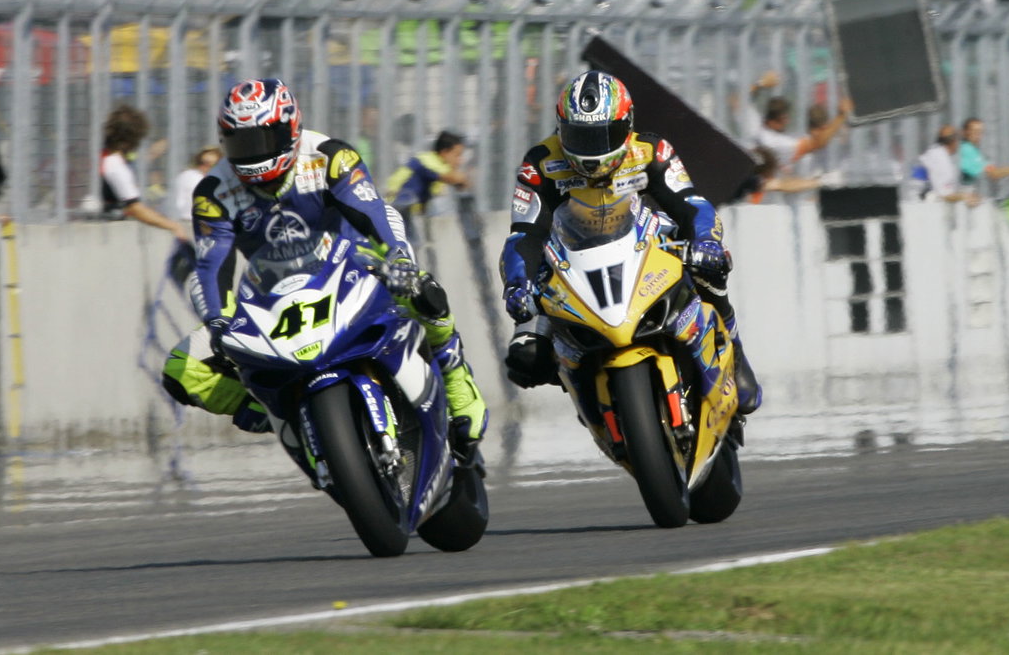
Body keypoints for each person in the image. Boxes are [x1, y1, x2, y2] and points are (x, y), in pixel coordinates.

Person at [163, 79, 488, 449]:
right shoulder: (212, 192)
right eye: (242, 143)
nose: (254, 153)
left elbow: (372, 211)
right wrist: (218, 321)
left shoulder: (330, 155)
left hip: (353, 266)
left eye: (264, 139)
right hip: (273, 293)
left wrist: (398, 257)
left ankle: (454, 374)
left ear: (290, 127)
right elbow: (211, 265)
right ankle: (272, 409)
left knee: (423, 290)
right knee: (180, 368)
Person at [500, 70, 762, 415]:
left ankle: (734, 350)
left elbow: (690, 203)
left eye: (603, 136)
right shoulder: (540, 163)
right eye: (580, 136)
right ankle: (585, 388)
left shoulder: (651, 150)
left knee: (711, 267)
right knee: (525, 357)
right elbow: (525, 233)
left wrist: (705, 241)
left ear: (626, 125)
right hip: (569, 265)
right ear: (561, 128)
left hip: (644, 245)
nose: (591, 150)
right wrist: (517, 284)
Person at [100, 104, 189, 242]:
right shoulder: (116, 165)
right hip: (114, 238)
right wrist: (173, 226)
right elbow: (135, 209)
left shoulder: (105, 158)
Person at [385, 129, 472, 232]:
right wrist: (463, 179)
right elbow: (455, 179)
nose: (460, 161)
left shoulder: (433, 161)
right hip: (397, 209)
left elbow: (459, 184)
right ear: (444, 152)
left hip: (405, 211)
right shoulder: (429, 161)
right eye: (457, 155)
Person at [957, 117, 1009, 188]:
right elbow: (993, 174)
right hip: (965, 195)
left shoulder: (974, 150)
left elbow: (993, 171)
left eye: (981, 132)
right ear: (965, 132)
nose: (978, 135)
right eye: (975, 131)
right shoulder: (965, 150)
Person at [913, 125, 980, 206]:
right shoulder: (942, 160)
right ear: (953, 141)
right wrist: (966, 197)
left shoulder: (934, 152)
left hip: (915, 201)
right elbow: (945, 195)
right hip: (920, 206)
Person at [170, 146, 221, 222]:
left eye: (212, 165)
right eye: (203, 163)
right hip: (188, 219)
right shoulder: (191, 176)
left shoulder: (214, 179)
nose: (206, 167)